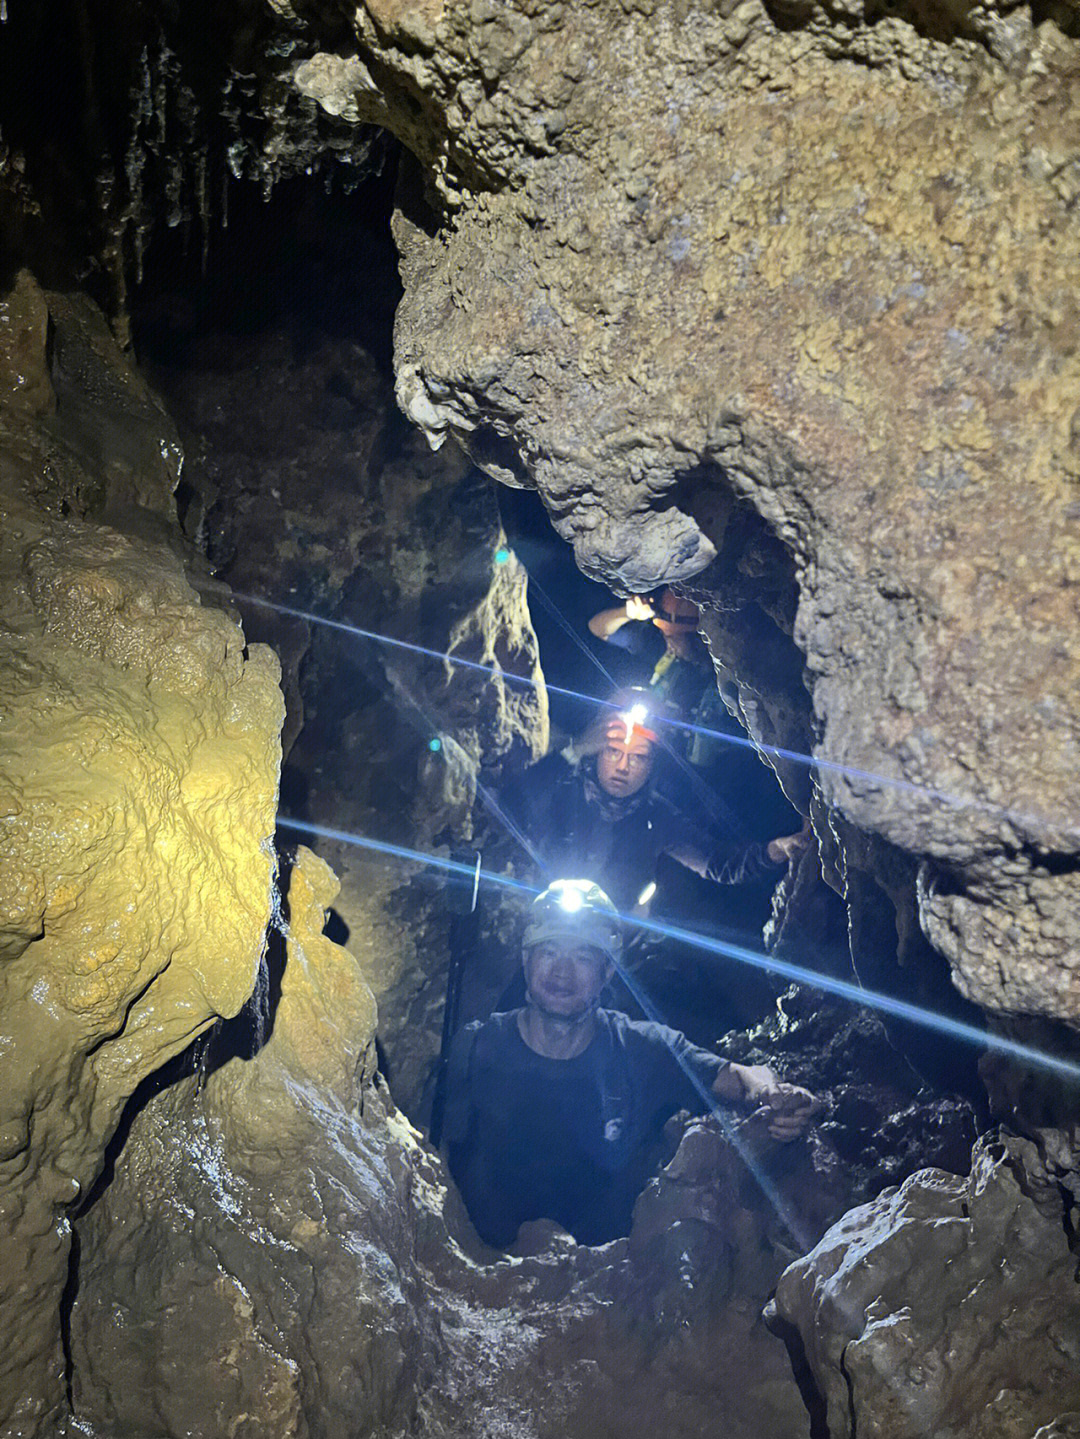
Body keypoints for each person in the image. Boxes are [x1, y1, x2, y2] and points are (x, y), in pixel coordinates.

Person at [444, 880, 820, 1248]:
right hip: (487, 1277)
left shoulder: (643, 1048)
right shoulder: (476, 1046)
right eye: (549, 951)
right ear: (526, 960)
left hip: (604, 1286)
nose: (562, 971)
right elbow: (438, 1164)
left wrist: (770, 1093)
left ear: (607, 971)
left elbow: (736, 1075)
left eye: (583, 956)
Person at [505, 702, 808, 913]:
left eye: (638, 757)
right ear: (596, 753)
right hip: (539, 920)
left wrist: (775, 850)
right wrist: (575, 749)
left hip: (607, 943)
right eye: (612, 752)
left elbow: (718, 863)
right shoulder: (562, 791)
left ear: (652, 766)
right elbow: (510, 803)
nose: (623, 766)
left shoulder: (657, 817)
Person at [588, 588, 709, 717]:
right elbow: (598, 629)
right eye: (666, 634)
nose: (670, 644)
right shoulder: (653, 643)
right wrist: (628, 613)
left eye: (674, 636)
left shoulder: (716, 664)